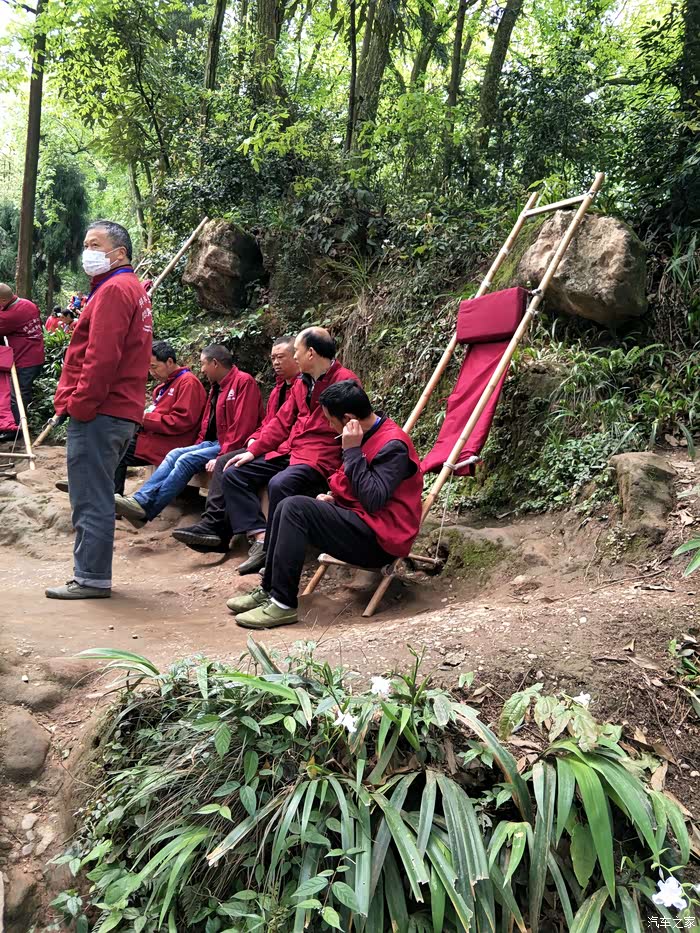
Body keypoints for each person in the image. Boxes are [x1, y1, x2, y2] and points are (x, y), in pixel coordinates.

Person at [226, 380, 424, 629]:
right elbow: (358, 489)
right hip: (362, 524)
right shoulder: (363, 434)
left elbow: (374, 499)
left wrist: (351, 451)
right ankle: (269, 589)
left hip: (381, 541)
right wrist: (335, 499)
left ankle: (283, 604)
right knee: (286, 504)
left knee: (295, 508)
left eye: (330, 420)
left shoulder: (393, 446)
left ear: (348, 418)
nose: (330, 427)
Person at [45, 220, 152, 600]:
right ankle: (93, 576)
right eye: (86, 244)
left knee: (90, 497)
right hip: (118, 409)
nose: (86, 252)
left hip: (101, 410)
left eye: (94, 245)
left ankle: (90, 578)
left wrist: (80, 404)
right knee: (99, 494)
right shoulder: (131, 289)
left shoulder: (115, 290)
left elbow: (102, 357)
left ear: (119, 253)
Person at [219, 327, 359, 575]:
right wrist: (254, 451)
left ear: (311, 353)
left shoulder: (345, 381)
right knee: (234, 472)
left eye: (297, 351)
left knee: (279, 484)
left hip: (321, 457)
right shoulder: (302, 383)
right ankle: (261, 536)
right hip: (293, 451)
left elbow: (352, 427)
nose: (295, 356)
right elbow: (281, 422)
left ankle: (276, 556)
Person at [172, 335, 300, 552]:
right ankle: (217, 532)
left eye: (281, 357)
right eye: (273, 358)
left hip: (286, 451)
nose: (276, 363)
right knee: (224, 462)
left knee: (227, 464)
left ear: (297, 357)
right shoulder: (278, 389)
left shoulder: (299, 386)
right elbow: (269, 424)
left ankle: (219, 528)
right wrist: (255, 439)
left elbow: (282, 427)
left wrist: (255, 444)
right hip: (268, 445)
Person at [114, 344, 263, 527]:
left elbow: (242, 427)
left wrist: (222, 455)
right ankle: (139, 502)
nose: (201, 369)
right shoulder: (216, 386)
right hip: (213, 442)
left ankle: (144, 511)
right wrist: (198, 445)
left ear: (215, 363)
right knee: (175, 454)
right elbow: (207, 422)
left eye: (203, 363)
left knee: (185, 459)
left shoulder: (242, 381)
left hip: (231, 445)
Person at [113, 340, 207, 495]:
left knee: (117, 449)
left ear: (169, 362)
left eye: (154, 366)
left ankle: (111, 499)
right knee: (114, 439)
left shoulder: (188, 382)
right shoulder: (162, 387)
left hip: (173, 443)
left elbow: (181, 421)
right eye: (148, 368)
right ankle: (108, 494)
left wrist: (145, 419)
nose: (151, 372)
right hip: (154, 437)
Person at [0, 282, 45, 429]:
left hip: (26, 360)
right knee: (21, 392)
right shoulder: (28, 304)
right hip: (36, 355)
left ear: (3, 301)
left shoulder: (10, 316)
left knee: (18, 395)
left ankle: (16, 428)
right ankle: (19, 424)